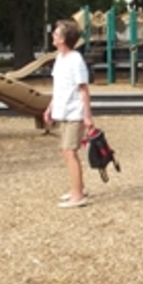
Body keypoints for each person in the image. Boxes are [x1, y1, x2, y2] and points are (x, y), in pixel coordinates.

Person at [43, 19, 94, 208]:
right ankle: (77, 187)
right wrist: (50, 108)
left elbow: (83, 89)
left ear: (63, 39)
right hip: (62, 111)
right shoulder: (59, 58)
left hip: (74, 113)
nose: (53, 36)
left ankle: (78, 196)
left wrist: (87, 116)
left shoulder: (75, 60)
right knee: (67, 152)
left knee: (69, 151)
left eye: (56, 34)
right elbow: (59, 88)